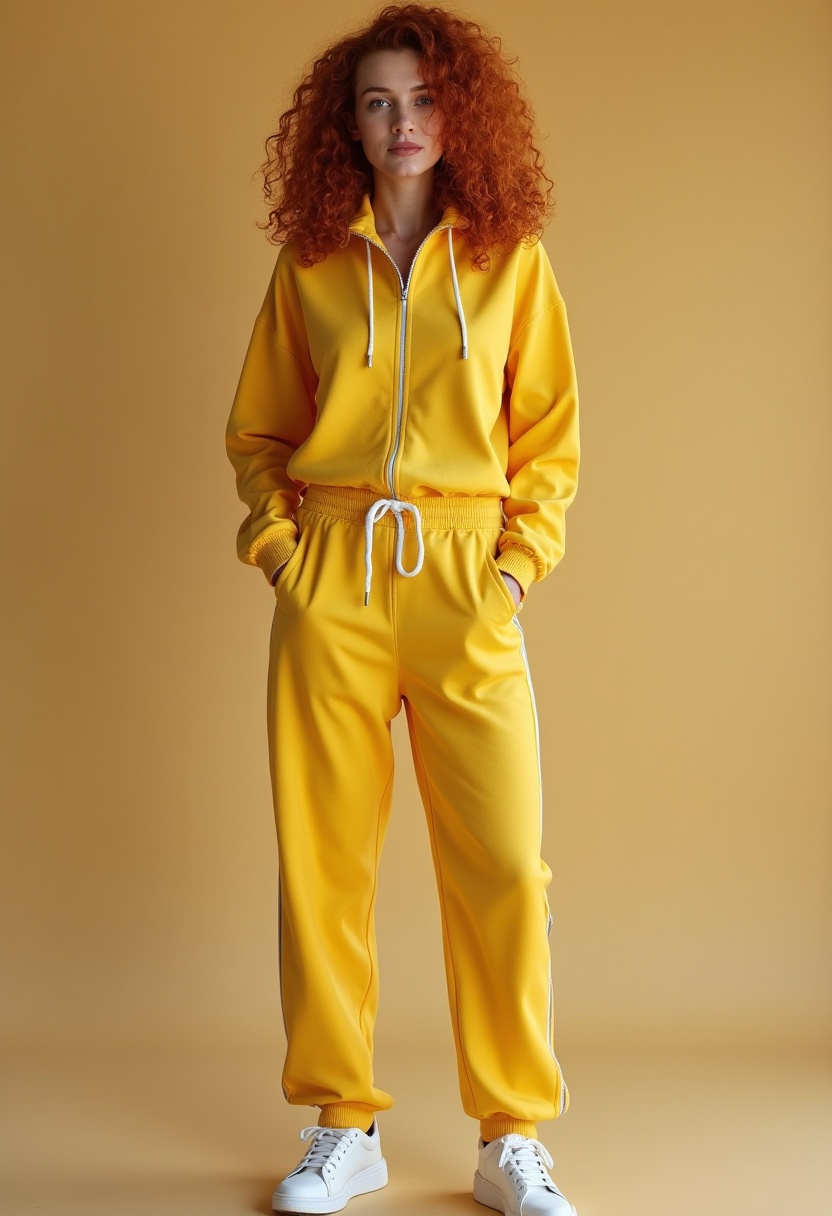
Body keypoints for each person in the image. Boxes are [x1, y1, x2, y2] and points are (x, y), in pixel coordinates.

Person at [225, 4, 580, 1213]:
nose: (403, 122)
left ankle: (509, 1135)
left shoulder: (510, 261)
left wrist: (514, 567)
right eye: (379, 102)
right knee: (321, 862)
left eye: (424, 99)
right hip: (332, 577)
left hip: (463, 579)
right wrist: (282, 547)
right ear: (349, 124)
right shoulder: (310, 263)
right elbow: (260, 429)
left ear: (457, 113)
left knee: (505, 866)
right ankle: (344, 1124)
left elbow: (548, 439)